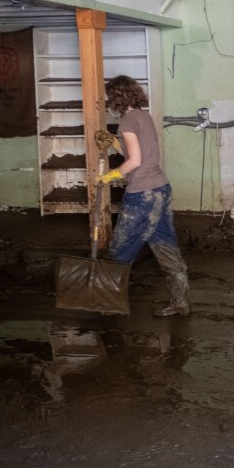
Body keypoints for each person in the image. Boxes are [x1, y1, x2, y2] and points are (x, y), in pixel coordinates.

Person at [93, 75, 190, 318]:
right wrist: (115, 142)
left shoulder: (127, 121)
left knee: (119, 248)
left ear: (117, 98)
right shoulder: (143, 117)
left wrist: (108, 177)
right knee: (164, 245)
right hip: (160, 189)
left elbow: (135, 161)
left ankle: (106, 304)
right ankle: (180, 303)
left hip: (143, 195)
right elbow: (141, 152)